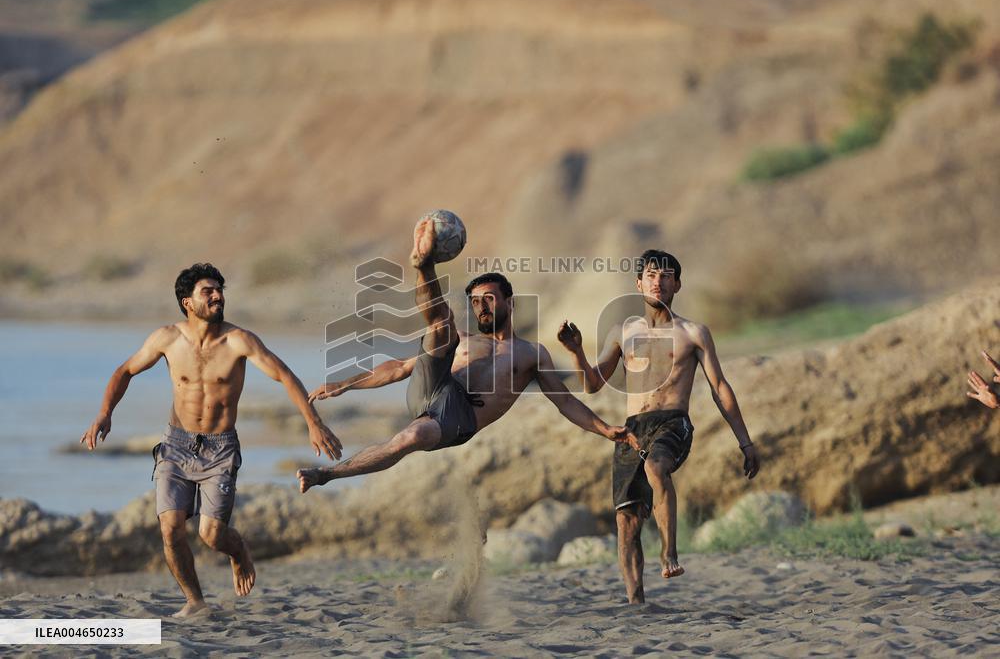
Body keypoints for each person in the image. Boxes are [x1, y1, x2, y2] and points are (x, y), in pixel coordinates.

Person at [297, 217, 639, 492]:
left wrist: (604, 428)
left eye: (489, 299)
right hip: (431, 387)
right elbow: (401, 367)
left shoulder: (531, 354)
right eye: (476, 302)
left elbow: (566, 402)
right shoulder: (462, 339)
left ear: (509, 302)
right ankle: (423, 265)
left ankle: (324, 476)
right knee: (443, 325)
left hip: (458, 415)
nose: (481, 307)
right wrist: (347, 383)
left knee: (410, 438)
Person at [81, 263, 342, 617]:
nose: (218, 296)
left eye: (219, 290)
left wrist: (313, 422)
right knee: (170, 528)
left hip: (220, 449)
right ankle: (195, 601)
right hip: (176, 445)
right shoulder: (167, 339)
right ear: (188, 302)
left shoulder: (238, 340)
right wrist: (104, 412)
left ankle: (239, 551)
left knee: (212, 535)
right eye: (209, 291)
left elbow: (282, 374)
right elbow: (124, 370)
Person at [557, 249, 760, 604]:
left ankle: (670, 552)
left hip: (672, 423)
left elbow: (720, 388)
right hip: (632, 429)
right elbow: (592, 384)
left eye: (666, 276)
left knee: (656, 466)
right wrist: (576, 352)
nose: (658, 281)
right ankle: (636, 603)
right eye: (651, 275)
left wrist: (745, 442)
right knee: (626, 523)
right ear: (638, 284)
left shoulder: (693, 333)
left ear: (677, 285)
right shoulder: (623, 332)